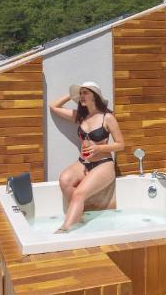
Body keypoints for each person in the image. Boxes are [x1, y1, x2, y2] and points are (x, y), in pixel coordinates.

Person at [48, 81, 125, 233]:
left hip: (103, 163)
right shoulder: (80, 117)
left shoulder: (107, 117)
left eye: (85, 93)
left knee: (79, 193)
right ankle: (79, 214)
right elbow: (53, 106)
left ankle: (65, 229)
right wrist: (72, 94)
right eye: (80, 93)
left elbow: (121, 144)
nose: (82, 96)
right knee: (64, 180)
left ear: (94, 96)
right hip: (83, 162)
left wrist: (99, 148)